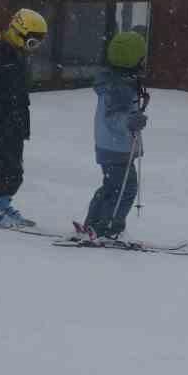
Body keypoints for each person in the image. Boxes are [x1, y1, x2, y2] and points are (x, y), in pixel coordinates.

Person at [0, 8, 46, 228]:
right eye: (32, 43)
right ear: (18, 32)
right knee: (3, 167)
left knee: (16, 170)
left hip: (15, 120)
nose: (33, 49)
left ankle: (2, 205)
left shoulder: (14, 51)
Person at [77, 31, 150, 241]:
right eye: (142, 58)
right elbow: (113, 117)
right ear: (134, 59)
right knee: (126, 189)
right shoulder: (120, 87)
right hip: (117, 146)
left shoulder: (119, 80)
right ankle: (108, 227)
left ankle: (93, 223)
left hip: (112, 145)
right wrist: (130, 121)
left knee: (111, 187)